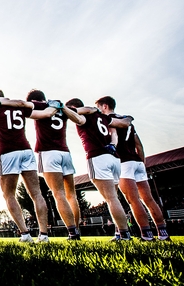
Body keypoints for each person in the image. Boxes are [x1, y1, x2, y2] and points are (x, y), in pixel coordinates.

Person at [0, 88, 57, 243]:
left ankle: (25, 234)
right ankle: (43, 235)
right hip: (26, 150)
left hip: (8, 152)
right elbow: (44, 114)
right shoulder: (19, 106)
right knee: (36, 193)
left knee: (8, 193)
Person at [98, 96, 170, 241]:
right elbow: (139, 146)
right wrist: (142, 164)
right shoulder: (127, 121)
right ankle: (163, 233)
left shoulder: (109, 121)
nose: (99, 111)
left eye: (99, 107)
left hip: (123, 162)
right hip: (137, 161)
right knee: (148, 199)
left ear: (105, 106)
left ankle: (146, 234)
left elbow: (114, 139)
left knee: (133, 200)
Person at [65, 97, 134, 241]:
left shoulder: (84, 117)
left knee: (111, 199)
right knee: (114, 198)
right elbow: (122, 124)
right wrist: (129, 118)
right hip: (114, 157)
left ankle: (124, 234)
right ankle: (119, 234)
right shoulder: (101, 117)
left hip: (98, 157)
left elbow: (74, 115)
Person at [27, 89, 85, 240]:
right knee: (71, 194)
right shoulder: (61, 108)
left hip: (49, 153)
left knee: (58, 194)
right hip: (65, 152)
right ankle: (76, 230)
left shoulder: (39, 106)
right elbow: (80, 116)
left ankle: (72, 232)